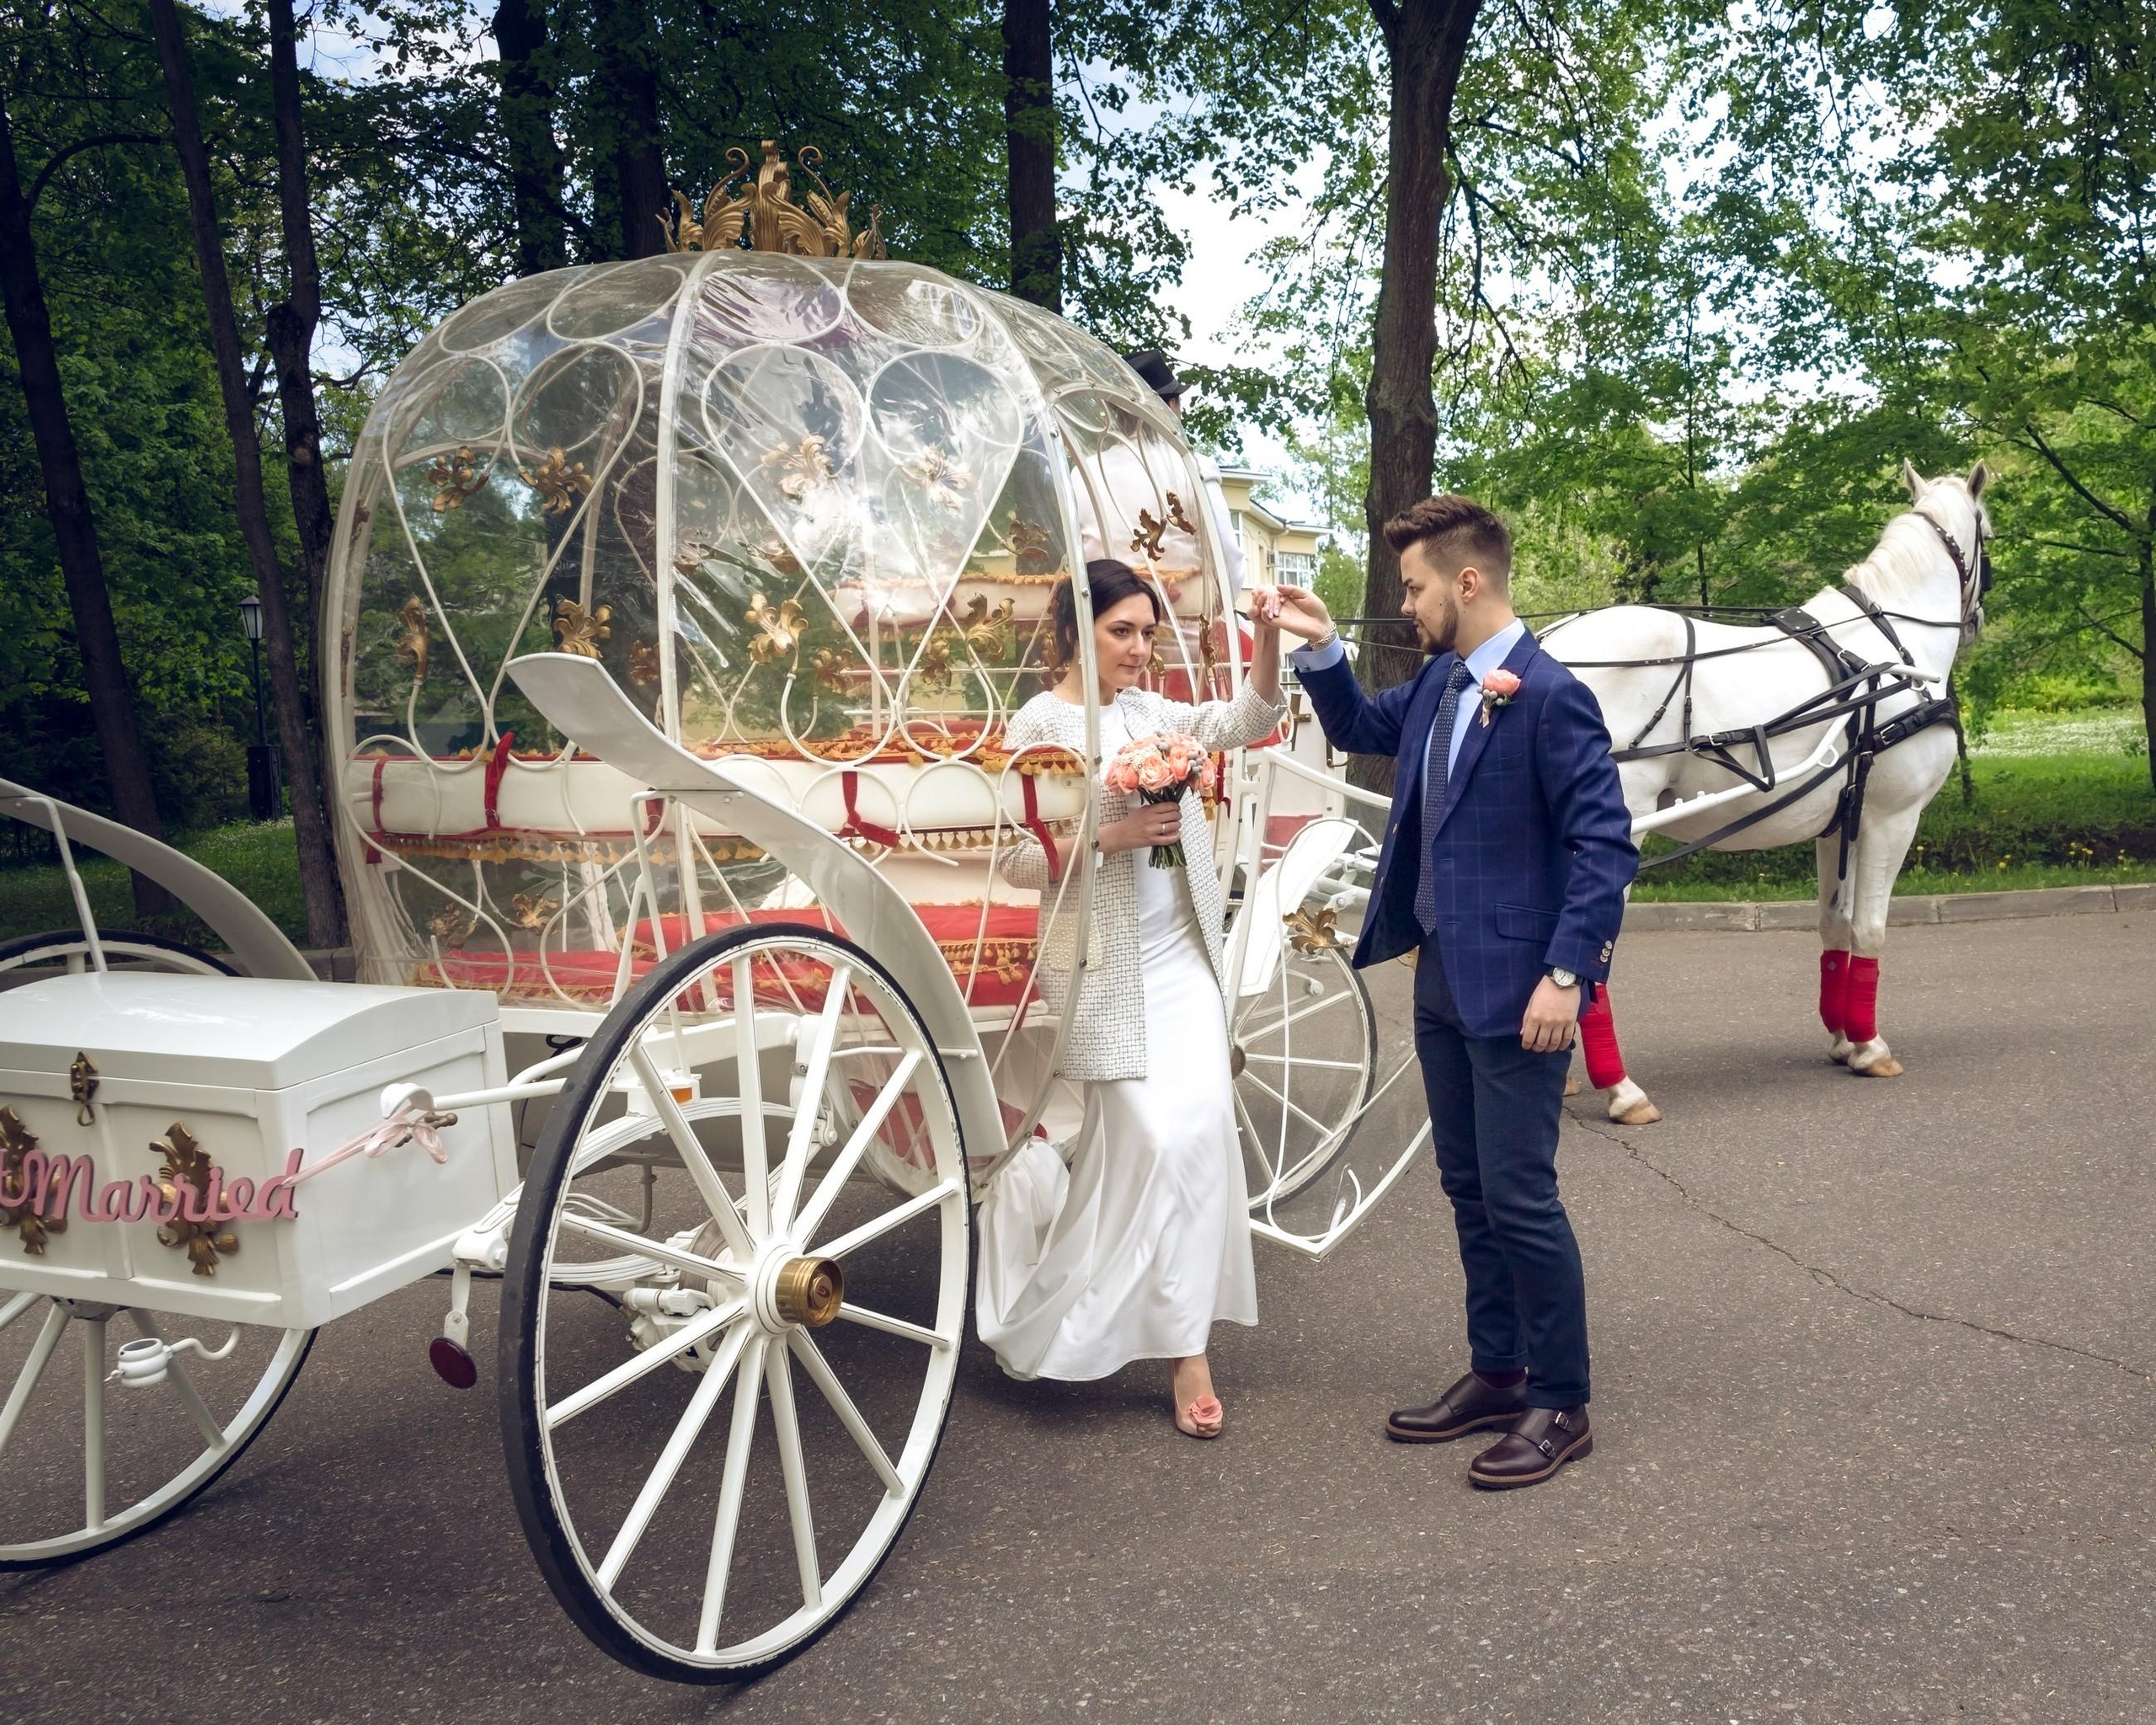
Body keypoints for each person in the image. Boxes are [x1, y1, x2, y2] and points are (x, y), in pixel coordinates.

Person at [1268, 496, 1636, 1489]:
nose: (1407, 602)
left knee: (1520, 1194)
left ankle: (1562, 1401)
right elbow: (1351, 724)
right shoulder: (1438, 683)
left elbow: (1606, 845)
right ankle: (1498, 1370)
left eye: (1416, 585)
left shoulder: (1550, 694)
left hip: (1524, 990)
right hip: (1439, 978)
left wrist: (1568, 975)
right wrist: (1312, 648)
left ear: (1466, 582)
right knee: (1468, 1187)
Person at [976, 558, 1298, 1437]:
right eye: (1122, 630)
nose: (1138, 646)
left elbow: (1248, 716)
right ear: (1075, 629)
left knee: (1197, 1133)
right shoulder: (1042, 721)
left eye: (1147, 631)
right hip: (1101, 959)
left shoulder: (1157, 712)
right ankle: (1073, 1308)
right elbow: (1014, 858)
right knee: (1147, 1135)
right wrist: (1113, 835)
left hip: (1183, 948)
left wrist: (1265, 633)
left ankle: (1187, 1345)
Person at [1120, 349, 1246, 593]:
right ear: (1172, 404)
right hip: (1187, 626)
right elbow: (1230, 564)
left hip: (1106, 625)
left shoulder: (1080, 476)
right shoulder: (1196, 468)